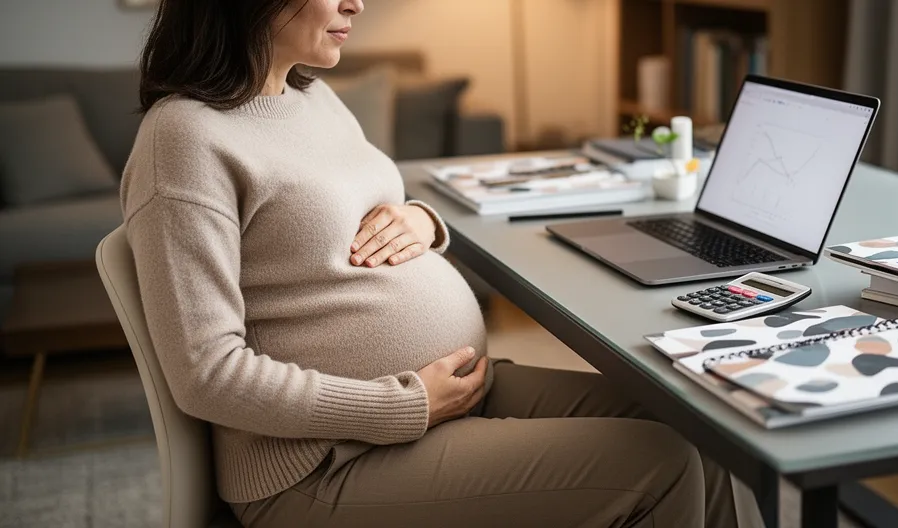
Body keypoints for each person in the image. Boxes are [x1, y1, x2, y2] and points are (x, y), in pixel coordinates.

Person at [122, 0, 762, 526]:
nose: (357, 4)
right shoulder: (185, 138)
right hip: (324, 464)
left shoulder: (310, 97)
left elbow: (364, 208)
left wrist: (424, 220)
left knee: (695, 427)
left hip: (444, 396)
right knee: (659, 461)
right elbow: (206, 372)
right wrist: (403, 405)